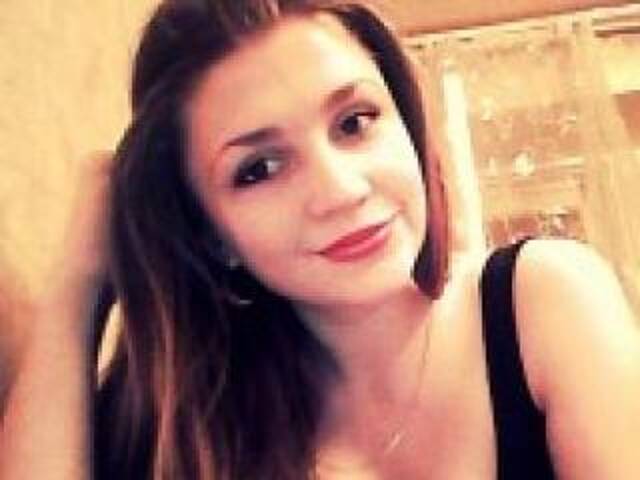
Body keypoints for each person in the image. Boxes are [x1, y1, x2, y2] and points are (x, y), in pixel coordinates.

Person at [1, 0, 639, 479]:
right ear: (211, 233)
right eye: (259, 169)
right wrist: (78, 289)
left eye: (355, 122)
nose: (341, 190)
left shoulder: (542, 300)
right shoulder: (200, 423)